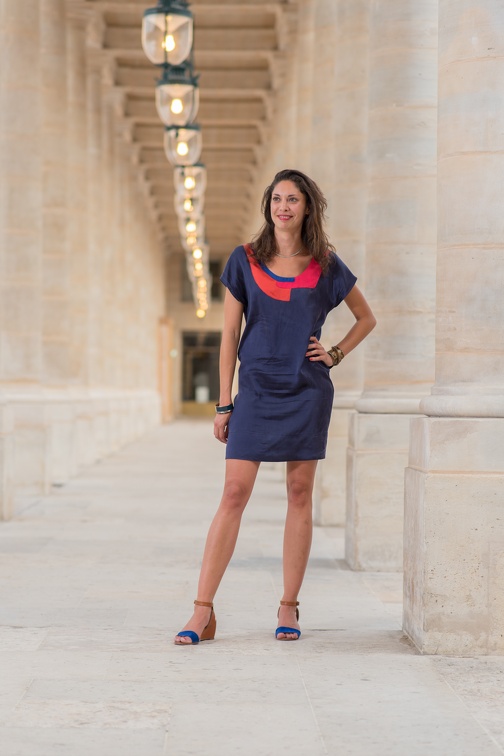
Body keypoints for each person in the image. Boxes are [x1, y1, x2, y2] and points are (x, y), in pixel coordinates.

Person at [174, 168, 376, 645]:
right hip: (257, 393)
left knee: (300, 493)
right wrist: (224, 403)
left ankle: (289, 605)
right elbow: (228, 334)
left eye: (294, 200)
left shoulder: (326, 264)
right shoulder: (244, 260)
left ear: (308, 208)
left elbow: (366, 318)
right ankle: (202, 610)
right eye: (277, 199)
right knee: (233, 494)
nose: (284, 207)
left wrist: (335, 354)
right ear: (268, 206)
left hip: (306, 390)